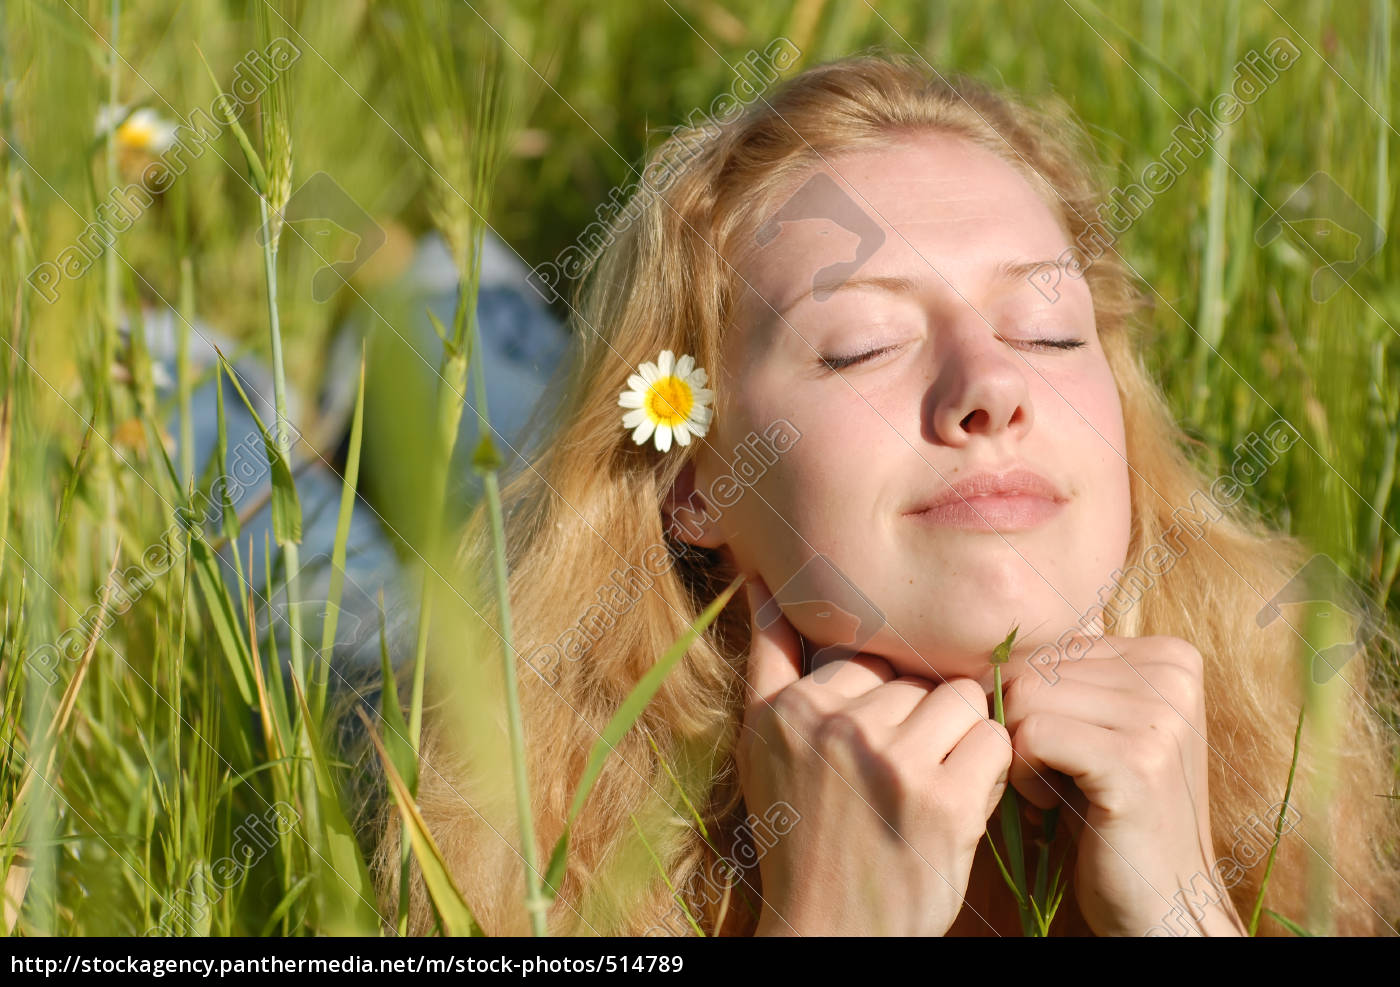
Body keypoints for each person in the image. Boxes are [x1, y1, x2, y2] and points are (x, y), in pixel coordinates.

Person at [372, 52, 1400, 936]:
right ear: (692, 483)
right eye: (861, 345)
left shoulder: (1282, 762)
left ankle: (452, 293)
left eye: (1045, 332)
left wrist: (1181, 912)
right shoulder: (504, 810)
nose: (992, 388)